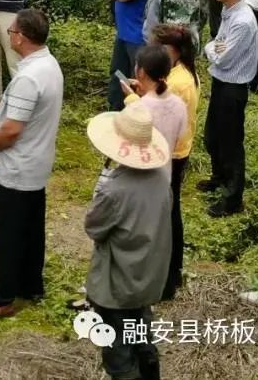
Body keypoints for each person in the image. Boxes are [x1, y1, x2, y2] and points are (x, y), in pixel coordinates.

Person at [0, 9, 63, 321]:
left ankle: (1, 300)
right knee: (31, 227)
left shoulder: (28, 77)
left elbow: (12, 129)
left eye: (12, 31)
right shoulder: (49, 64)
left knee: (9, 233)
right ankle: (31, 285)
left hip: (16, 167)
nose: (9, 34)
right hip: (37, 164)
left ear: (20, 37)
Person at [84, 103, 171, 380]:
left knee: (117, 350)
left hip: (117, 283)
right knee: (142, 333)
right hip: (149, 276)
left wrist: (100, 191)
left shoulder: (114, 190)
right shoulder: (161, 178)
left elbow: (94, 228)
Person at [201, 0, 258, 217]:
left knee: (231, 141)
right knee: (214, 135)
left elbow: (220, 55)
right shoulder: (229, 10)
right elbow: (216, 45)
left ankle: (233, 198)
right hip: (221, 81)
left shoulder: (243, 21)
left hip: (233, 87)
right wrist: (213, 48)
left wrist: (211, 49)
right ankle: (219, 177)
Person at [147, 24, 200, 300]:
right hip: (178, 150)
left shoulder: (178, 82)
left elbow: (160, 116)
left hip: (172, 153)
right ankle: (171, 271)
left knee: (167, 216)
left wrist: (137, 99)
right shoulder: (181, 73)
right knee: (170, 212)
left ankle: (168, 277)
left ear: (172, 50)